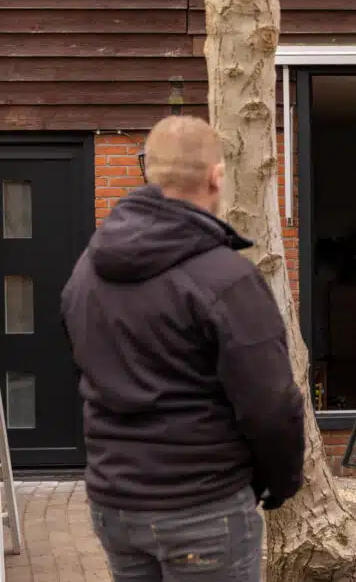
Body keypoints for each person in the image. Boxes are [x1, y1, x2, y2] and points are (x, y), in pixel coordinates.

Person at [60, 116, 305, 582]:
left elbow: (83, 365)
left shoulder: (86, 271)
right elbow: (270, 404)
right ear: (216, 176)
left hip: (115, 504)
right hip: (202, 505)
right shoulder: (226, 279)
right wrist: (281, 480)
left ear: (147, 172)